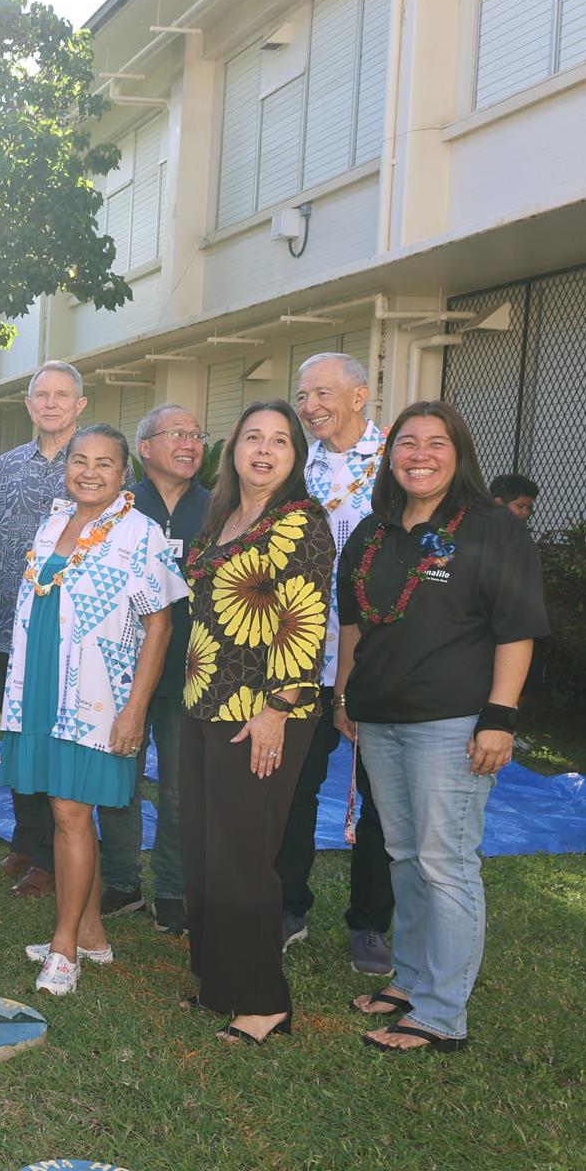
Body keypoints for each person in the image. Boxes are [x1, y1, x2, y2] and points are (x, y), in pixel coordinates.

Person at [334, 401, 547, 1053]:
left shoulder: (492, 530)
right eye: (407, 443)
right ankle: (413, 981)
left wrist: (500, 720)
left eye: (435, 443)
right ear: (390, 454)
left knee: (444, 862)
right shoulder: (373, 531)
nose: (419, 454)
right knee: (404, 857)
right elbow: (354, 622)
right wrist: (345, 696)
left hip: (452, 723)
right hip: (381, 719)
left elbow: (517, 629)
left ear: (459, 453)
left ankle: (440, 1015)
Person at [1, 425, 185, 995]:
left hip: (97, 693)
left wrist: (134, 711)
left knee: (70, 813)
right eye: (80, 460)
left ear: (124, 472)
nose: (89, 472)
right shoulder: (54, 522)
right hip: (40, 687)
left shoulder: (141, 534)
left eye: (104, 463)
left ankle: (63, 949)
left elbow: (161, 624)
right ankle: (93, 934)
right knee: (66, 812)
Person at [179, 401, 333, 1045]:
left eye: (280, 442)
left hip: (261, 714)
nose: (264, 451)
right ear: (233, 449)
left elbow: (307, 617)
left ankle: (264, 1001)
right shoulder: (227, 514)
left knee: (244, 855)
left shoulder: (301, 522)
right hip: (206, 702)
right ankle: (222, 982)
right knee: (207, 849)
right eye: (252, 438)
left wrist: (276, 709)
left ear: (296, 457)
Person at [277, 352, 395, 975]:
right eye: (302, 395)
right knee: (294, 788)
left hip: (376, 658)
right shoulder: (298, 465)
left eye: (321, 393)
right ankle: (287, 907)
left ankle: (370, 924)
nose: (310, 406)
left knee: (380, 797)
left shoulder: (399, 462)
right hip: (301, 655)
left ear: (359, 395)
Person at [0, 361, 88, 897]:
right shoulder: (4, 468)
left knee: (53, 734)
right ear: (28, 403)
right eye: (42, 394)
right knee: (16, 734)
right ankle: (24, 841)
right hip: (8, 627)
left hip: (67, 628)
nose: (51, 403)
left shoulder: (96, 464)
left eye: (62, 395)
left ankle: (50, 855)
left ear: (79, 405)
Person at [98, 404, 210, 935]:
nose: (189, 443)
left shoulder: (220, 509)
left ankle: (172, 887)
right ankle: (121, 881)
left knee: (181, 786)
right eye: (176, 434)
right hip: (123, 670)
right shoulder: (115, 509)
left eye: (196, 434)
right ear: (145, 449)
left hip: (193, 670)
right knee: (119, 777)